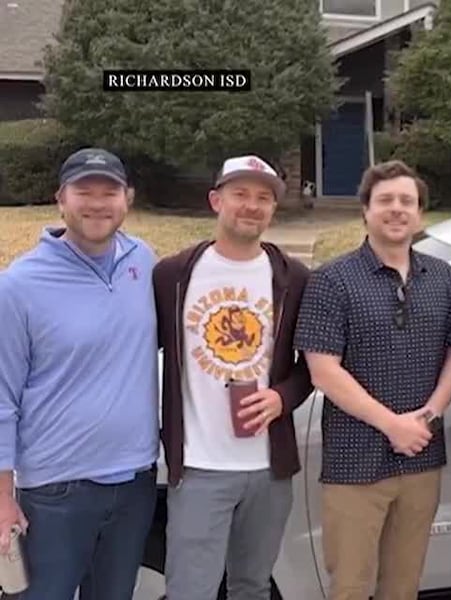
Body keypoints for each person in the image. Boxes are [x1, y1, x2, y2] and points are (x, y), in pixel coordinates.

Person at [294, 160, 451, 600]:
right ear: (366, 210)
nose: (397, 209)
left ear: (420, 213)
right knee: (350, 586)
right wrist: (392, 425)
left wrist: (428, 416)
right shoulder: (331, 280)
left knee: (404, 586)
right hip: (355, 463)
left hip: (422, 458)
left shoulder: (443, 279)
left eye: (407, 201)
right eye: (385, 200)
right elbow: (323, 370)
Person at [152, 155, 313, 600]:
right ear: (215, 201)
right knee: (191, 590)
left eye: (263, 198)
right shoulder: (173, 276)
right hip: (199, 467)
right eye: (240, 194)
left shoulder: (294, 278)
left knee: (252, 587)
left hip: (269, 470)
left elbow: (313, 365)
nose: (251, 206)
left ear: (273, 209)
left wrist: (282, 397)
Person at [0, 148, 159, 598]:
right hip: (56, 493)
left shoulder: (143, 261)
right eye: (84, 192)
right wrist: (2, 498)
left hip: (135, 483)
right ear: (60, 200)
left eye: (109, 192)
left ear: (127, 199)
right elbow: (2, 398)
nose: (97, 204)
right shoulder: (19, 285)